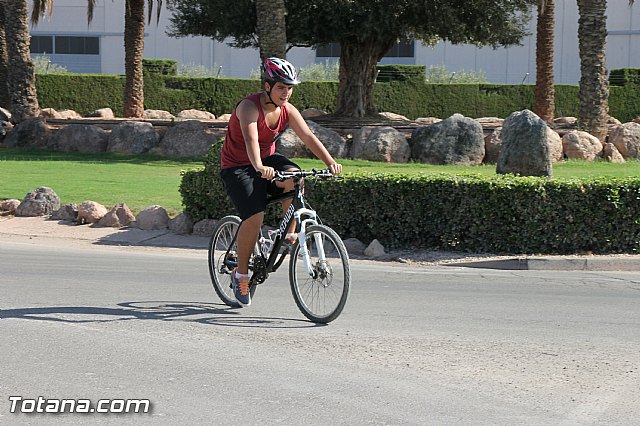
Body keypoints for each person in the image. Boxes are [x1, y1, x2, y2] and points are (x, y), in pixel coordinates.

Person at [220, 57, 342, 307]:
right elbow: (251, 140)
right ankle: (241, 275)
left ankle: (287, 233)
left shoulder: (288, 109)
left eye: (289, 88)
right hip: (237, 166)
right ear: (267, 86)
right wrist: (258, 167)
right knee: (254, 218)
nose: (286, 93)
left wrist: (330, 161)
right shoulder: (248, 107)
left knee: (296, 177)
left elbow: (308, 136)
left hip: (266, 160)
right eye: (281, 87)